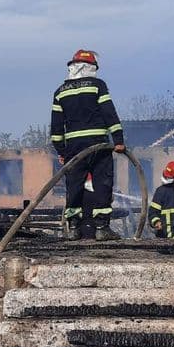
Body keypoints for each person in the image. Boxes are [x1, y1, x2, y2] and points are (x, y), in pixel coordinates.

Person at [50, 49, 125, 241]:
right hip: (99, 144)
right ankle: (102, 228)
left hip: (74, 149)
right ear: (91, 67)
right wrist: (118, 140)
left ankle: (73, 227)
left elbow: (56, 128)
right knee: (102, 183)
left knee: (74, 185)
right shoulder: (98, 85)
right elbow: (109, 113)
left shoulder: (60, 92)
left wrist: (61, 151)